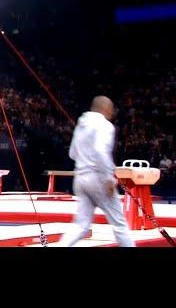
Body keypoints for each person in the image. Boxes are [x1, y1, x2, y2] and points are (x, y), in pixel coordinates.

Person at [57, 96, 135, 247]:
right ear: (105, 108)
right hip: (98, 178)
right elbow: (101, 151)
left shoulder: (81, 125)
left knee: (80, 225)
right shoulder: (105, 125)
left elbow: (72, 153)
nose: (112, 113)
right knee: (119, 224)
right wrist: (109, 179)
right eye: (111, 109)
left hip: (80, 178)